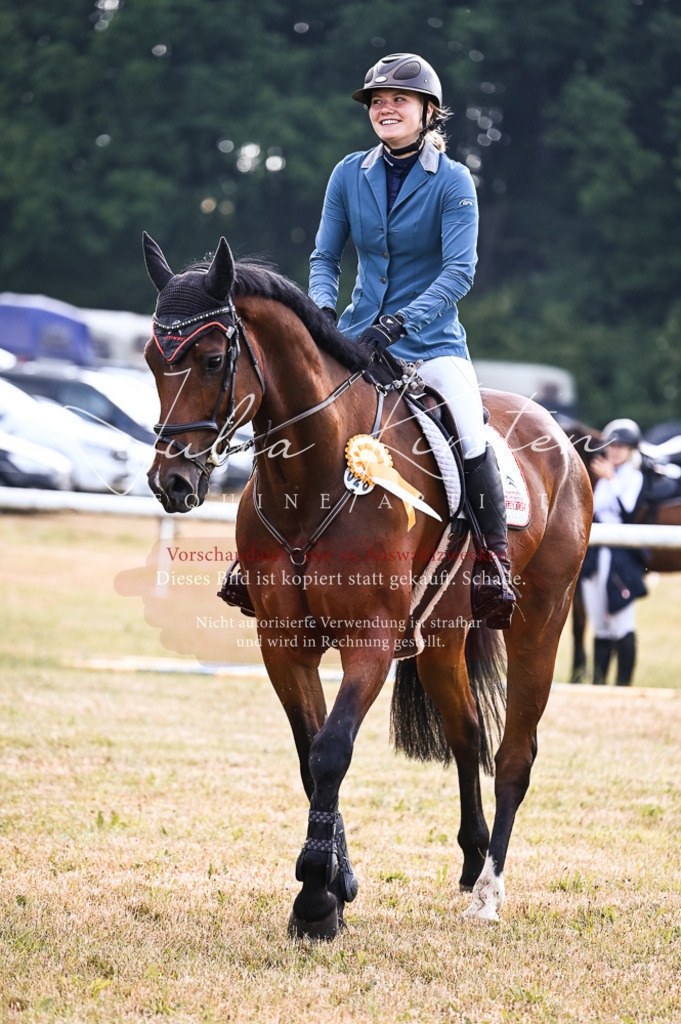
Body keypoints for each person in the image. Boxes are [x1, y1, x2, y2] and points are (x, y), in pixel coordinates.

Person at [308, 52, 516, 628]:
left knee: (471, 432)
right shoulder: (348, 173)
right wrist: (325, 313)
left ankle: (493, 561)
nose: (385, 109)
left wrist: (400, 324)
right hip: (355, 336)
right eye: (376, 101)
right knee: (297, 411)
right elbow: (326, 256)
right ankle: (256, 560)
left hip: (431, 343)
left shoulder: (452, 180)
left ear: (428, 111)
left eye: (398, 99)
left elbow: (459, 273)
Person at [580, 418, 646, 685]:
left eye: (622, 446)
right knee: (599, 622)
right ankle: (599, 682)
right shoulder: (602, 476)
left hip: (620, 555)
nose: (616, 450)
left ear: (631, 450)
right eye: (612, 445)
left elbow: (627, 511)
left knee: (622, 622)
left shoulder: (633, 477)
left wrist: (611, 479)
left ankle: (624, 683)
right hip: (596, 553)